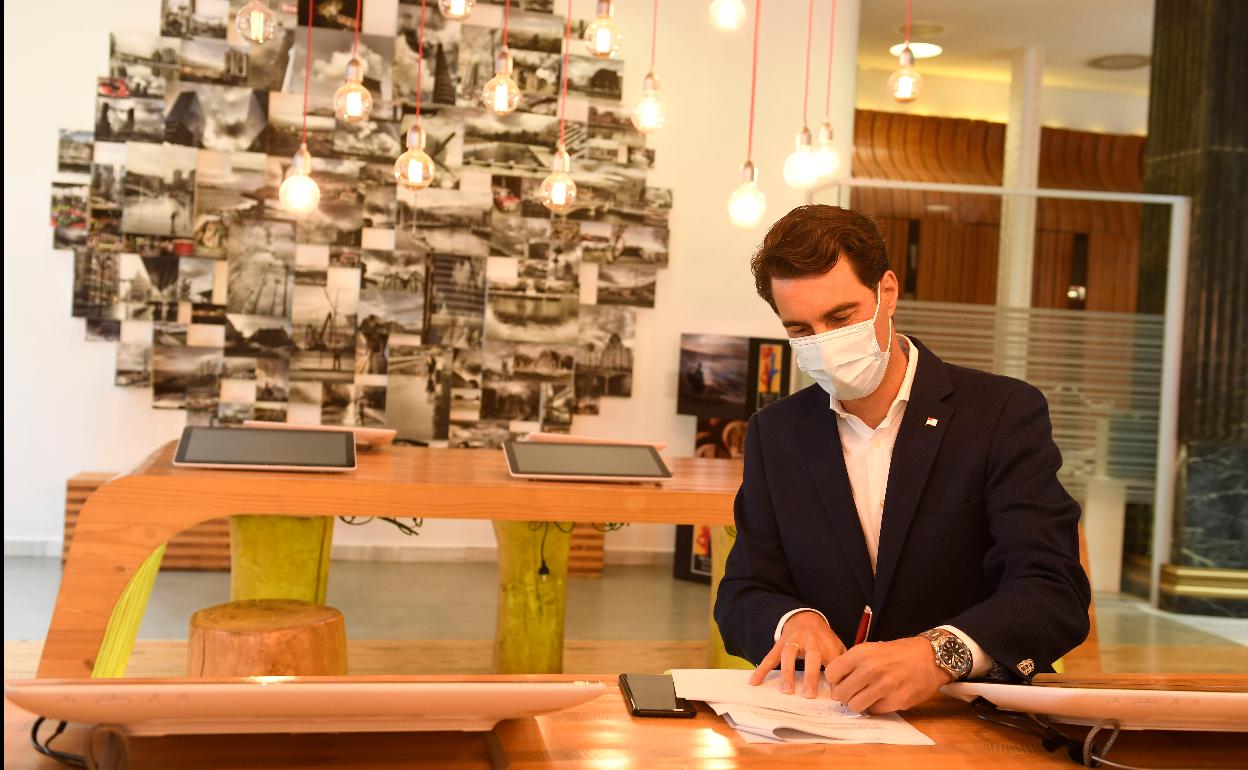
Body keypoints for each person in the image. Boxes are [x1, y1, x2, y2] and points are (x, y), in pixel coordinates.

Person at [714, 205, 1090, 715]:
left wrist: (938, 654)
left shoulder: (1001, 414)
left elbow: (1053, 590)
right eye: (800, 329)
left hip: (966, 715)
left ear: (886, 292)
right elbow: (743, 590)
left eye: (840, 318)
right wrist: (792, 621)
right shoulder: (776, 432)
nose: (824, 343)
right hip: (827, 718)